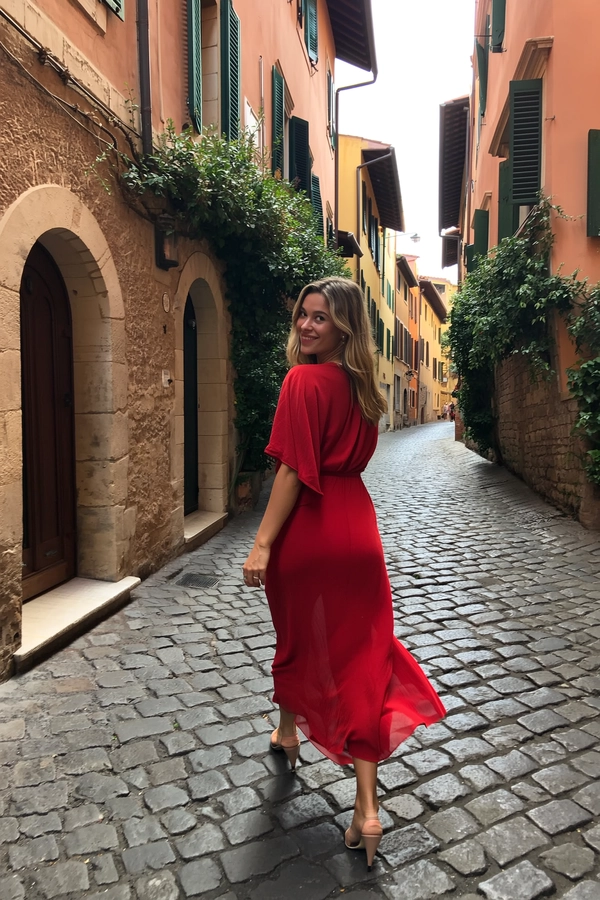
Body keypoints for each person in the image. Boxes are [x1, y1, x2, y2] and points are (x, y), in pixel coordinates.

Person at [242, 277, 445, 870]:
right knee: (363, 654)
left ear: (344, 327)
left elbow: (290, 472)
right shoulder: (364, 390)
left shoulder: (302, 380)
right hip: (358, 529)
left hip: (309, 529)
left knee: (298, 638)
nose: (307, 326)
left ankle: (292, 736)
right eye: (304, 315)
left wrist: (260, 544)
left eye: (321, 319)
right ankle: (365, 806)